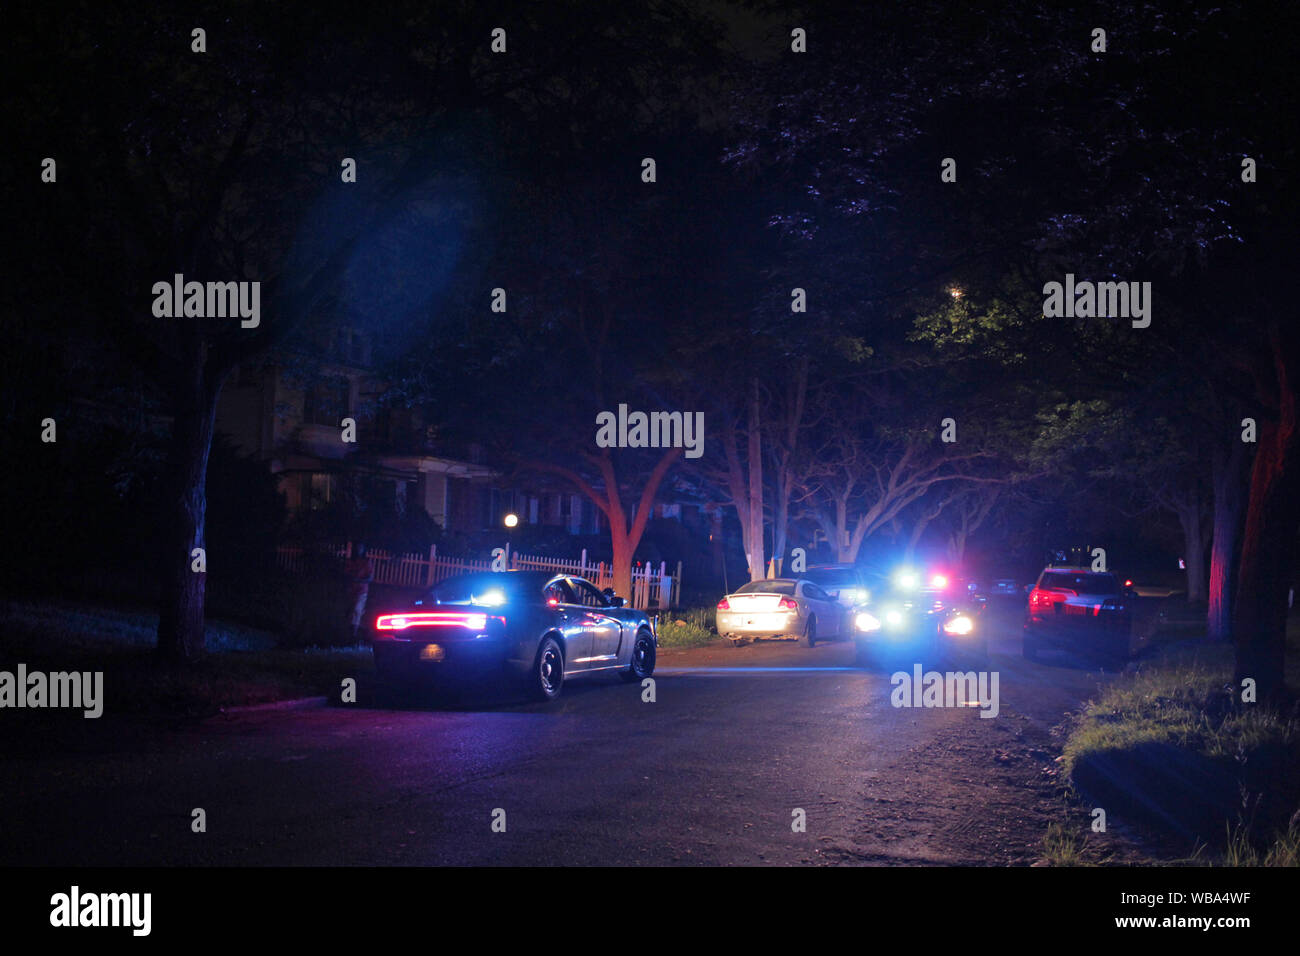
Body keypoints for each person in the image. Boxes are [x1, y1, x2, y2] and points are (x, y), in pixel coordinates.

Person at [344, 543, 375, 641]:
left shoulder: (366, 562)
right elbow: (346, 573)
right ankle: (354, 631)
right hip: (351, 590)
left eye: (361, 548)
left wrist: (359, 580)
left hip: (362, 591)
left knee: (357, 610)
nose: (358, 549)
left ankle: (354, 633)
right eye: (357, 547)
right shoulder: (351, 561)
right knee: (352, 611)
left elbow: (370, 577)